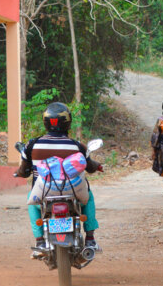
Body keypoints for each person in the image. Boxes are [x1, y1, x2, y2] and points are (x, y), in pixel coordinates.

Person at [16, 102, 103, 258]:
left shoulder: (32, 146)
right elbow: (89, 167)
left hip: (44, 193)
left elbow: (23, 170)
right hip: (73, 193)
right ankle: (90, 239)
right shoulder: (77, 146)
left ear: (45, 122)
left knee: (31, 202)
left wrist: (20, 173)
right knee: (88, 199)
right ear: (68, 122)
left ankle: (40, 241)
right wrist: (97, 166)